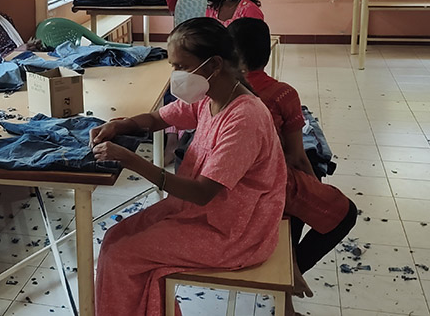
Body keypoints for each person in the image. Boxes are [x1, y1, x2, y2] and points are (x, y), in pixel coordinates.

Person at [89, 17, 286, 316]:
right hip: (202, 214)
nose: (176, 75)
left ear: (213, 64)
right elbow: (159, 118)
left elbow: (203, 193)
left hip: (234, 233)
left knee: (122, 256)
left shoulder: (244, 118)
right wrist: (120, 125)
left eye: (180, 66)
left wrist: (131, 159)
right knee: (114, 238)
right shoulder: (210, 97)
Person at [228, 18, 358, 282]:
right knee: (339, 210)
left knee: (300, 191)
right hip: (263, 187)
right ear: (268, 52)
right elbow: (297, 156)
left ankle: (288, 268)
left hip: (224, 186)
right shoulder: (282, 94)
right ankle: (292, 268)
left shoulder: (219, 90)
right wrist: (315, 185)